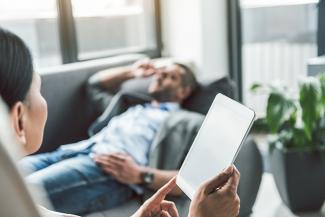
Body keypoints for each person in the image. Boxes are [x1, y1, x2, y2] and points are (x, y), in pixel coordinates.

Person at [0, 27, 241, 217]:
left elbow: (194, 177)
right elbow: (94, 84)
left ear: (183, 91)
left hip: (110, 170)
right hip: (79, 150)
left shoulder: (188, 121)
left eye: (172, 76)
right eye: (161, 71)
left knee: (17, 192)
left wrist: (140, 175)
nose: (161, 74)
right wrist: (132, 72)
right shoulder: (130, 104)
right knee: (8, 178)